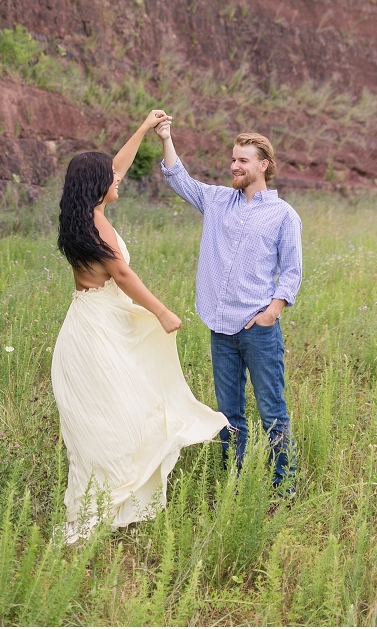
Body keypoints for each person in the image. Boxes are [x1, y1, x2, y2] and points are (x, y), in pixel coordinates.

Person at [51, 109, 227, 543]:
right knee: (121, 413)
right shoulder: (99, 228)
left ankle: (112, 502)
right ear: (98, 188)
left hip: (88, 322)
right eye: (110, 177)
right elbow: (125, 278)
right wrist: (164, 312)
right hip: (98, 332)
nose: (118, 179)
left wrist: (146, 129)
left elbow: (115, 166)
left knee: (112, 413)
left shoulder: (82, 216)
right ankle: (106, 503)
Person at [156, 120, 302, 492]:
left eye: (243, 160)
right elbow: (178, 178)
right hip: (219, 327)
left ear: (263, 165)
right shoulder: (218, 200)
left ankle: (283, 487)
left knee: (272, 413)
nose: (235, 166)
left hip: (259, 330)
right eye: (233, 159)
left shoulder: (284, 215)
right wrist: (166, 138)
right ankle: (233, 483)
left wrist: (271, 313)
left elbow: (291, 271)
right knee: (228, 414)